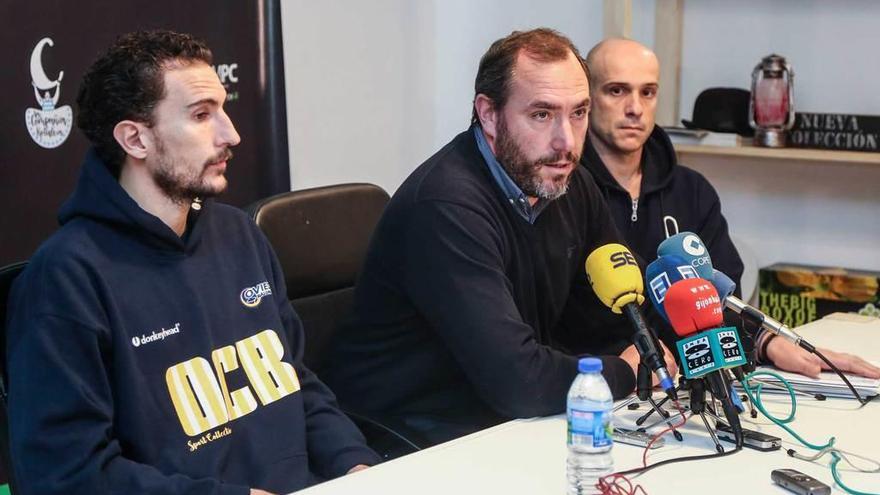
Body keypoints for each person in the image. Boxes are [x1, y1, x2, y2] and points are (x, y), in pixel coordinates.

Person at [5, 30, 379, 495]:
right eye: (202, 115)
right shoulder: (65, 278)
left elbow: (295, 383)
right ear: (135, 139)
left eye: (223, 109)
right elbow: (69, 474)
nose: (231, 134)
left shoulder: (240, 235)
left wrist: (357, 465)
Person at [323, 28, 677, 447]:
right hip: (408, 438)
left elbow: (619, 315)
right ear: (489, 115)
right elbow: (517, 380)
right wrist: (625, 371)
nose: (566, 142)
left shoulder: (568, 183)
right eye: (542, 115)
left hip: (501, 423)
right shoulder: (446, 206)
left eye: (578, 113)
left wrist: (680, 346)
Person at [580, 38, 880, 379]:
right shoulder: (565, 192)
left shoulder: (692, 190)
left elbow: (722, 299)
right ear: (587, 99)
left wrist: (767, 339)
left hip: (690, 380)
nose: (635, 107)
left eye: (647, 92)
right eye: (617, 91)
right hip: (598, 383)